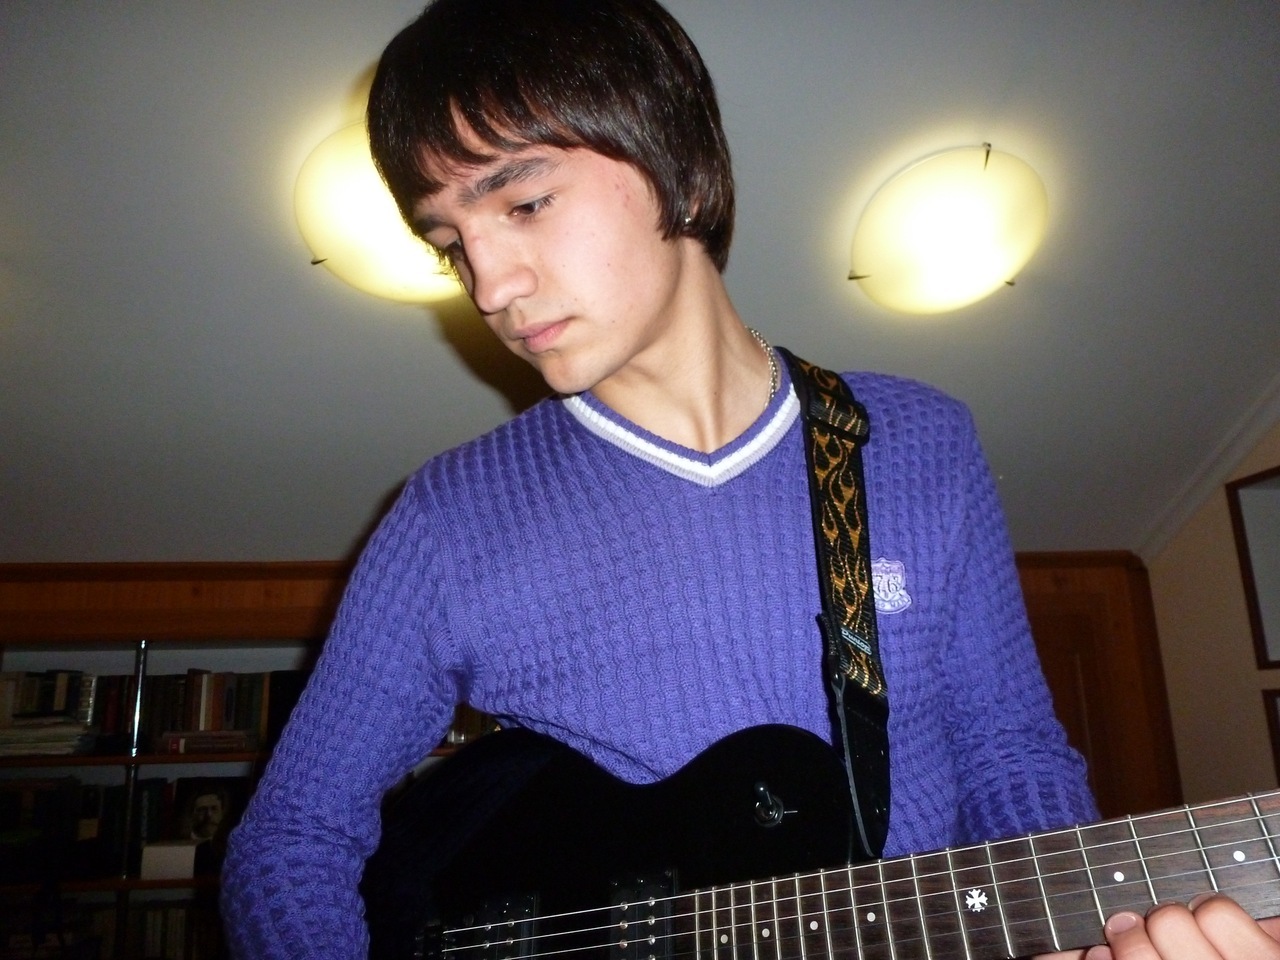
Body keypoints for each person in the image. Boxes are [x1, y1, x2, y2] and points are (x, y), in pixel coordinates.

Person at [220, 2, 1280, 958]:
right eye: (449, 242)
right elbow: (289, 839)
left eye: (525, 203)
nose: (489, 285)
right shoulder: (448, 518)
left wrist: (1078, 933)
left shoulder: (915, 440)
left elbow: (1007, 753)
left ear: (679, 166)